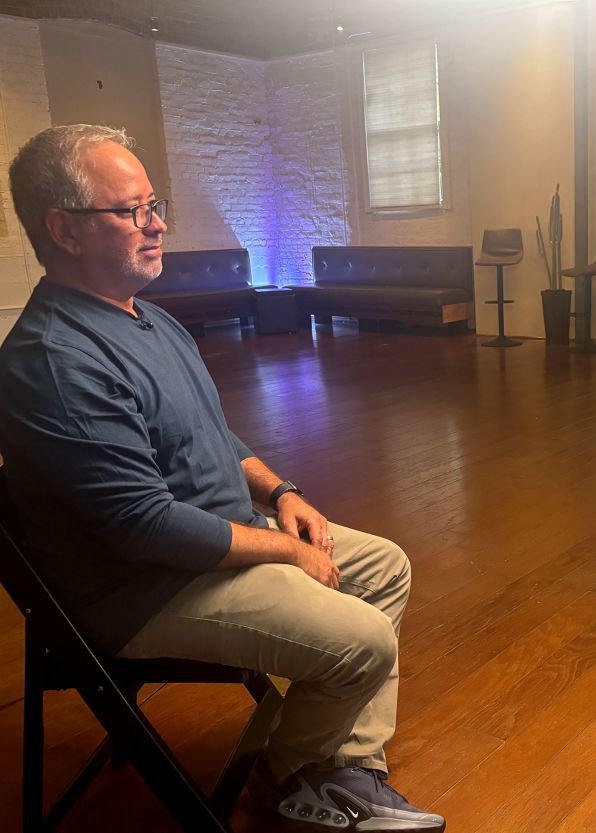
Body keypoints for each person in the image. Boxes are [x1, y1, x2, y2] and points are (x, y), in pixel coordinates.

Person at [0, 125, 445, 833]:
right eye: (133, 210)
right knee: (365, 639)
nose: (158, 224)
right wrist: (284, 549)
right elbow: (143, 526)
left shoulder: (148, 320)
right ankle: (305, 776)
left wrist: (282, 494)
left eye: (156, 203)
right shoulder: (56, 362)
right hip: (145, 586)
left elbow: (213, 432)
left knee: (384, 566)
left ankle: (325, 765)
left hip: (214, 543)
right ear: (64, 229)